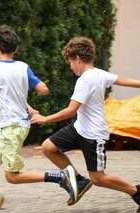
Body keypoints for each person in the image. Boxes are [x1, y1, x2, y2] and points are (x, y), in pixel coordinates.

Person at [0, 25, 78, 213]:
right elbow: (44, 90)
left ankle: (60, 177)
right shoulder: (23, 67)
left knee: (13, 177)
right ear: (15, 49)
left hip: (12, 127)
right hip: (12, 127)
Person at [31, 36, 140, 211]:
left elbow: (70, 110)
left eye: (70, 62)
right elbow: (124, 80)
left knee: (98, 179)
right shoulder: (100, 73)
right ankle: (78, 181)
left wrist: (45, 119)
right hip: (79, 128)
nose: (70, 67)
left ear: (78, 59)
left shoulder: (85, 80)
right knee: (48, 147)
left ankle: (136, 192)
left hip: (93, 136)